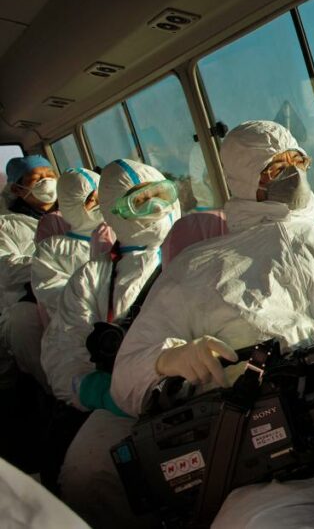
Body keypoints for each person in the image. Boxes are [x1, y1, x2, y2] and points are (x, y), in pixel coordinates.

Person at [113, 120, 314, 527]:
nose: (292, 173)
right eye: (274, 168)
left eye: (298, 160)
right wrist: (170, 359)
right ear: (244, 181)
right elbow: (126, 377)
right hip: (273, 470)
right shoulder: (196, 266)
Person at [45, 159, 178, 528]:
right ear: (115, 214)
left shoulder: (204, 252)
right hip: (122, 398)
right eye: (142, 202)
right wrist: (92, 388)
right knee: (85, 474)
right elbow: (63, 349)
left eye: (162, 195)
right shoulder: (94, 277)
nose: (159, 209)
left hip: (200, 384)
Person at [0, 155, 58, 388]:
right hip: (29, 298)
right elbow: (6, 269)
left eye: (50, 176)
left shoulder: (76, 210)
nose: (47, 182)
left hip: (74, 288)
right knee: (22, 322)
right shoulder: (6, 225)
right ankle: (55, 390)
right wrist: (53, 265)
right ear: (17, 188)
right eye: (37, 178)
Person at [31, 169, 103, 327]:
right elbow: (57, 297)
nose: (102, 205)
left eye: (103, 197)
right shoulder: (52, 250)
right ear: (72, 206)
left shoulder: (123, 237)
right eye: (92, 200)